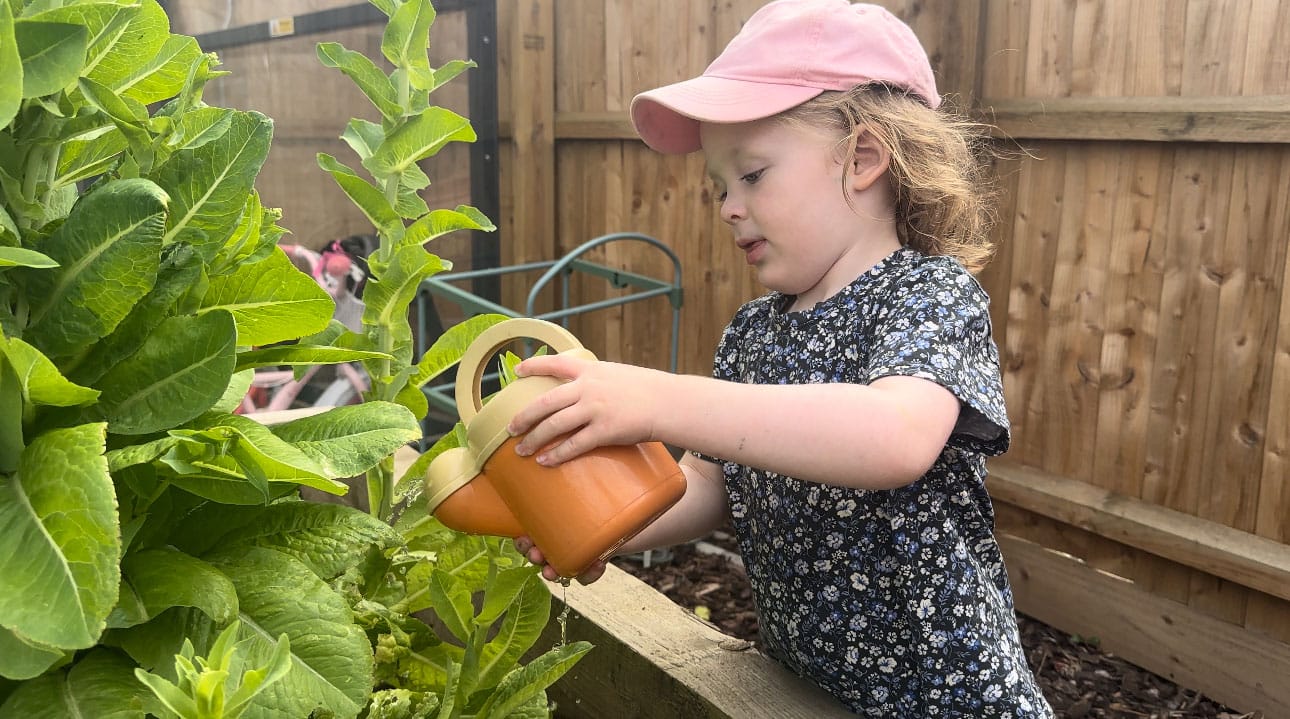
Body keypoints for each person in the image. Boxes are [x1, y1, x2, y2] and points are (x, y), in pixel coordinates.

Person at [507, 1, 1053, 715]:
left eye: (753, 175)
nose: (729, 206)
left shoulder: (927, 294)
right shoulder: (752, 333)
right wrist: (602, 524)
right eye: (719, 187)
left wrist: (660, 399)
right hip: (803, 690)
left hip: (949, 700)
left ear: (862, 158)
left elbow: (894, 436)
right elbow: (707, 485)